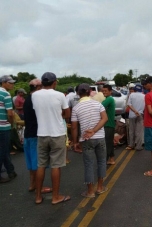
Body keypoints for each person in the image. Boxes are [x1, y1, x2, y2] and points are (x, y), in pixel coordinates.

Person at [32, 72, 71, 205]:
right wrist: (58, 115)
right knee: (56, 165)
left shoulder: (35, 95)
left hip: (41, 134)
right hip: (57, 134)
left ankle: (38, 196)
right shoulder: (60, 95)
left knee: (41, 165)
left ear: (43, 82)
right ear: (54, 82)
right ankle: (55, 197)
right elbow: (67, 114)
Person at [71, 83, 108, 197]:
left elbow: (74, 127)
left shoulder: (76, 108)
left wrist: (75, 142)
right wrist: (95, 130)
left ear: (78, 93)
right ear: (90, 92)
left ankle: (90, 191)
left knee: (88, 164)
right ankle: (100, 187)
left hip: (86, 139)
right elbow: (105, 118)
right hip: (100, 137)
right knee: (101, 162)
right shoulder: (98, 104)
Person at [23, 79, 51, 193]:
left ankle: (32, 184)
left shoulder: (27, 99)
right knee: (38, 162)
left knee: (30, 162)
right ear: (39, 87)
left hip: (27, 134)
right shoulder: (36, 100)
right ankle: (40, 187)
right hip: (36, 133)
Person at [0, 75, 17, 183]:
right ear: (4, 83)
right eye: (10, 83)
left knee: (4, 150)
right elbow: (10, 114)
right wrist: (11, 124)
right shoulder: (6, 94)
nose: (12, 84)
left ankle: (11, 170)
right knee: (2, 151)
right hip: (3, 126)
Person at [126, 84, 145, 151]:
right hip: (140, 115)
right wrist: (139, 112)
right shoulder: (144, 96)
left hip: (132, 115)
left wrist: (135, 111)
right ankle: (138, 146)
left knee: (131, 131)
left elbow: (129, 104)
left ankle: (131, 145)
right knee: (139, 131)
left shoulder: (132, 95)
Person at [101, 84, 116, 165]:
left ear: (111, 91)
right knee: (109, 143)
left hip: (108, 125)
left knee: (106, 144)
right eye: (103, 91)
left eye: (106, 91)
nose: (104, 92)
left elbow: (99, 106)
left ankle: (104, 162)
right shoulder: (107, 99)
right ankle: (112, 159)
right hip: (109, 125)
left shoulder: (109, 99)